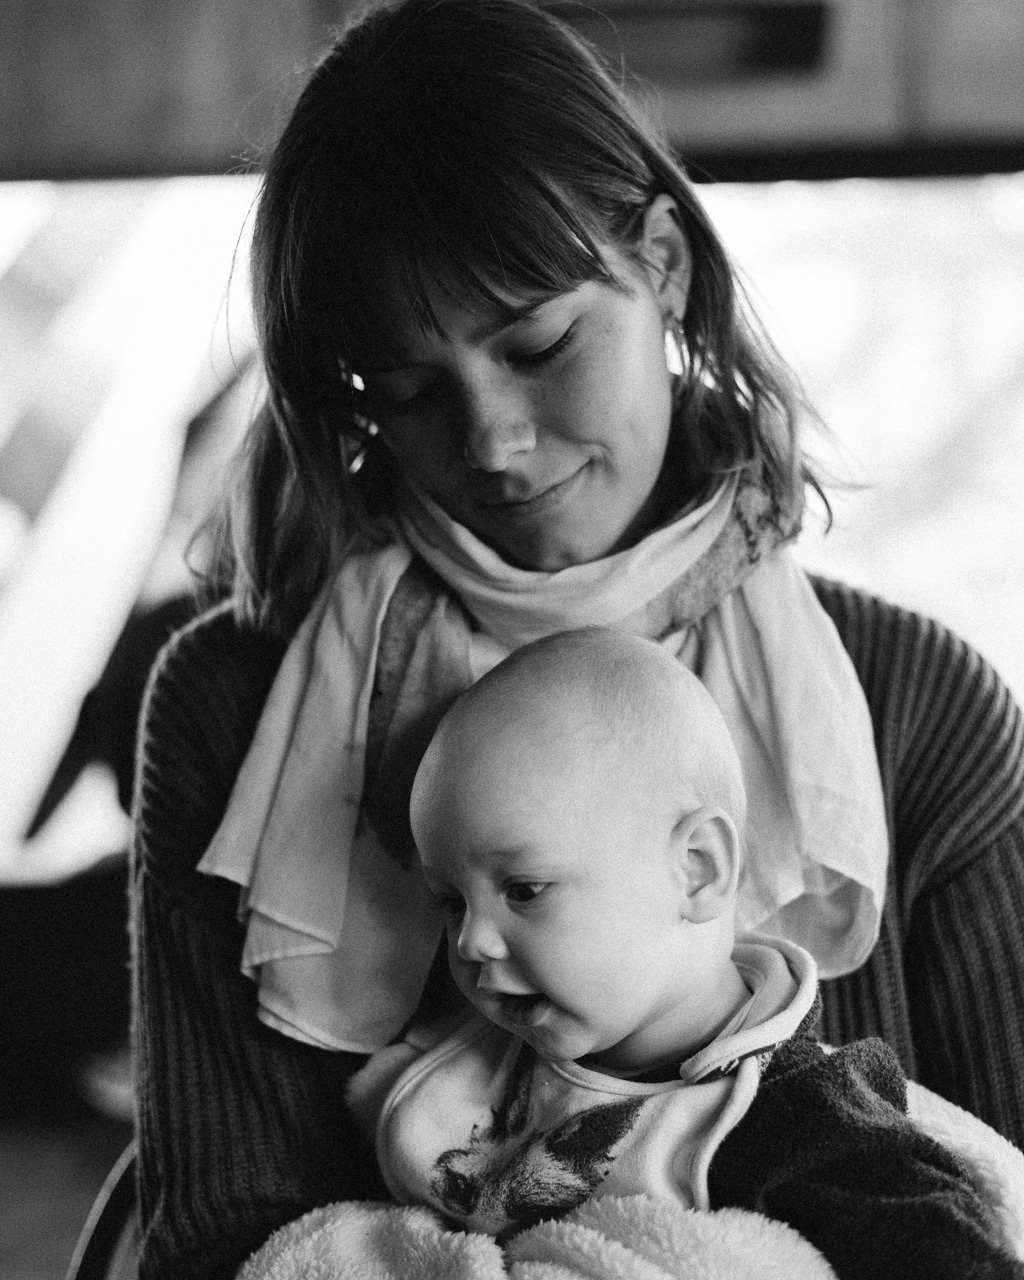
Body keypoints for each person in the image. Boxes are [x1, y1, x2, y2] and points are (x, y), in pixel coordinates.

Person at [130, 0, 1024, 1277]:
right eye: (410, 388)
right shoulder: (232, 708)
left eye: (540, 343)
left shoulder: (918, 709)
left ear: (660, 261)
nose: (492, 442)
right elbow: (216, 1235)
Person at [344, 627, 1024, 1278]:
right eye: (450, 902)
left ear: (696, 869)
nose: (471, 941)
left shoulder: (799, 1117)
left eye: (523, 890)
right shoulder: (467, 1073)